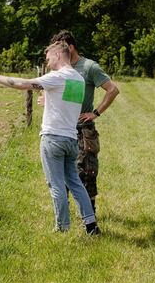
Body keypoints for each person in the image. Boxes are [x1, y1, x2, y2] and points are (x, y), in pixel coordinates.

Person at [0, 41, 101, 235]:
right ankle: (91, 224)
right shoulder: (78, 79)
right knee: (75, 182)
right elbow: (65, 103)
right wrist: (48, 100)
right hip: (71, 139)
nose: (47, 63)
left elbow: (23, 84)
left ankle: (62, 228)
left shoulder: (58, 76)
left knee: (56, 184)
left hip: (53, 139)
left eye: (48, 58)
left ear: (57, 55)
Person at [48, 30, 119, 214]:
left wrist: (95, 113)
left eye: (59, 49)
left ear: (70, 47)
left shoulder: (89, 67)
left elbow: (112, 90)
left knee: (86, 172)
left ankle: (89, 216)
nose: (56, 54)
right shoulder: (58, 69)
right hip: (62, 130)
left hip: (83, 131)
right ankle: (63, 215)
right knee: (61, 174)